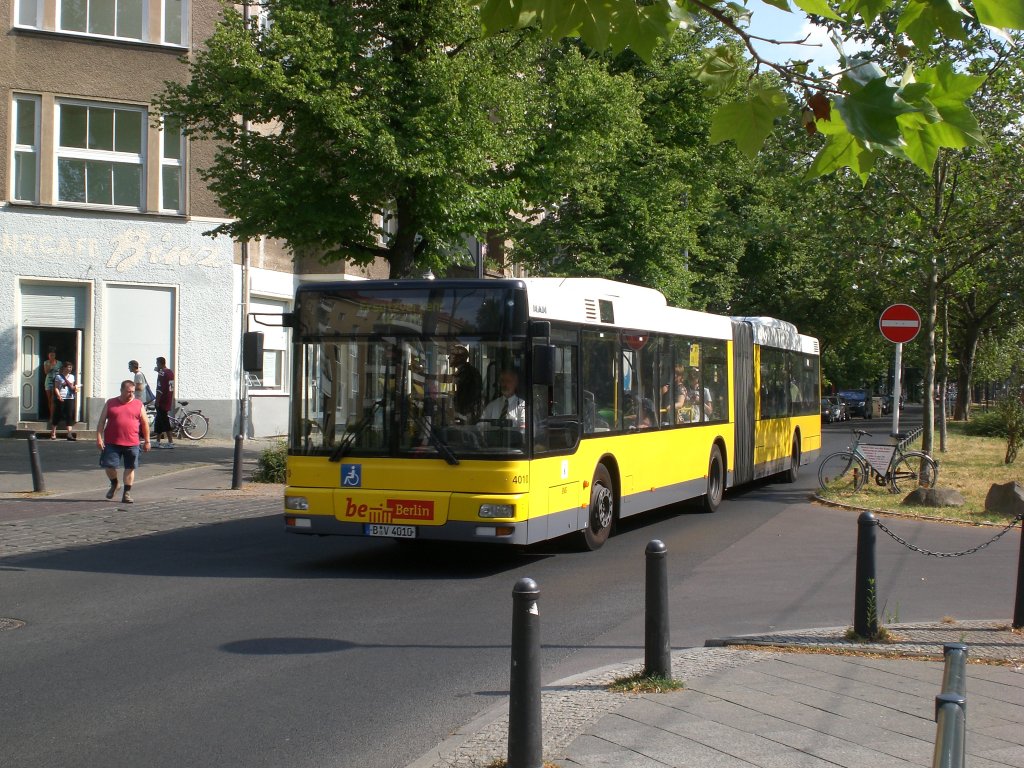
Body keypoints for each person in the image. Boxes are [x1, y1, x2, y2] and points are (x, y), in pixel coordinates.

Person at [96, 379, 151, 503]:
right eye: (128, 392)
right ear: (121, 390)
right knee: (108, 465)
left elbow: (144, 423)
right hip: (112, 441)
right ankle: (115, 483)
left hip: (132, 442)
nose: (131, 394)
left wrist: (147, 441)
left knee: (130, 467)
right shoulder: (111, 403)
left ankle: (127, 493)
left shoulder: (138, 404)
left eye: (133, 391)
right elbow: (101, 421)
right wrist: (99, 438)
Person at [447, 344, 482, 422]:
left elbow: (451, 379)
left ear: (459, 358)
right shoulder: (464, 370)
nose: (449, 357)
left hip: (465, 416)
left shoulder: (468, 372)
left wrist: (427, 377)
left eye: (452, 355)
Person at [50, 362, 78, 440]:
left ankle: (69, 434)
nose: (70, 369)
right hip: (61, 397)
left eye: (71, 367)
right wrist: (58, 396)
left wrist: (75, 388)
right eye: (68, 367)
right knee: (57, 414)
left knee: (69, 415)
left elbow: (71, 386)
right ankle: (53, 432)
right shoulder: (58, 377)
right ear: (64, 368)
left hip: (70, 397)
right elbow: (56, 387)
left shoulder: (72, 376)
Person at [153, 356, 175, 449]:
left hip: (162, 400)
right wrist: (159, 371)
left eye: (157, 363)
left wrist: (157, 401)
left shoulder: (162, 373)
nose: (156, 365)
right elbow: (169, 385)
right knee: (158, 420)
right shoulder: (170, 372)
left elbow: (160, 388)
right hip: (168, 398)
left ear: (160, 363)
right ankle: (157, 441)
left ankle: (170, 442)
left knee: (164, 421)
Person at [43, 347, 62, 422]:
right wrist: (50, 365)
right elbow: (46, 372)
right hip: (48, 381)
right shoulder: (46, 362)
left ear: (55, 355)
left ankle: (56, 416)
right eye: (50, 355)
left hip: (56, 382)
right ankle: (51, 416)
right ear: (48, 356)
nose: (52, 357)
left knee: (55, 399)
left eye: (53, 355)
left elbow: (61, 372)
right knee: (50, 400)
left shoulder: (59, 363)